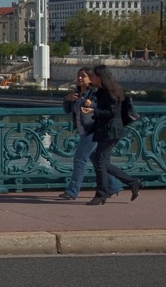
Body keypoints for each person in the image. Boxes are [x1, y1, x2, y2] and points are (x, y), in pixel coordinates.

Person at [82, 65, 142, 205]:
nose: (91, 78)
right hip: (106, 129)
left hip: (111, 130)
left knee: (100, 160)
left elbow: (111, 113)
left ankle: (101, 194)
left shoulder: (110, 92)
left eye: (94, 76)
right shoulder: (103, 91)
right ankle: (132, 182)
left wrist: (92, 111)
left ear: (100, 77)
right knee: (102, 161)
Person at [59, 67, 120, 200]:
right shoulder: (76, 93)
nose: (80, 78)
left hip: (93, 130)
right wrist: (67, 99)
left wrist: (91, 105)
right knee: (97, 161)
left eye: (83, 76)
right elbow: (68, 110)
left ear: (90, 79)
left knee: (80, 159)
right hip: (83, 131)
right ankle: (113, 186)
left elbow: (101, 109)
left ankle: (72, 191)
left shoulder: (95, 92)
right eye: (78, 75)